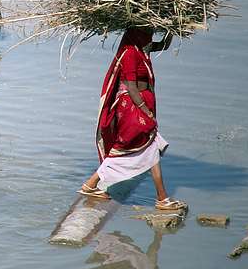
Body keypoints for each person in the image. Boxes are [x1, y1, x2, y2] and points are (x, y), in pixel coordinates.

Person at [79, 27, 187, 210]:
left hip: (141, 104)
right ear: (138, 35)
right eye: (147, 34)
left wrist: (173, 29)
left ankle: (91, 185)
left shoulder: (141, 48)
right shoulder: (130, 52)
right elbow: (131, 86)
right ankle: (161, 198)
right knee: (129, 147)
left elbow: (163, 46)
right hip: (132, 107)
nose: (150, 38)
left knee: (150, 148)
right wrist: (146, 111)